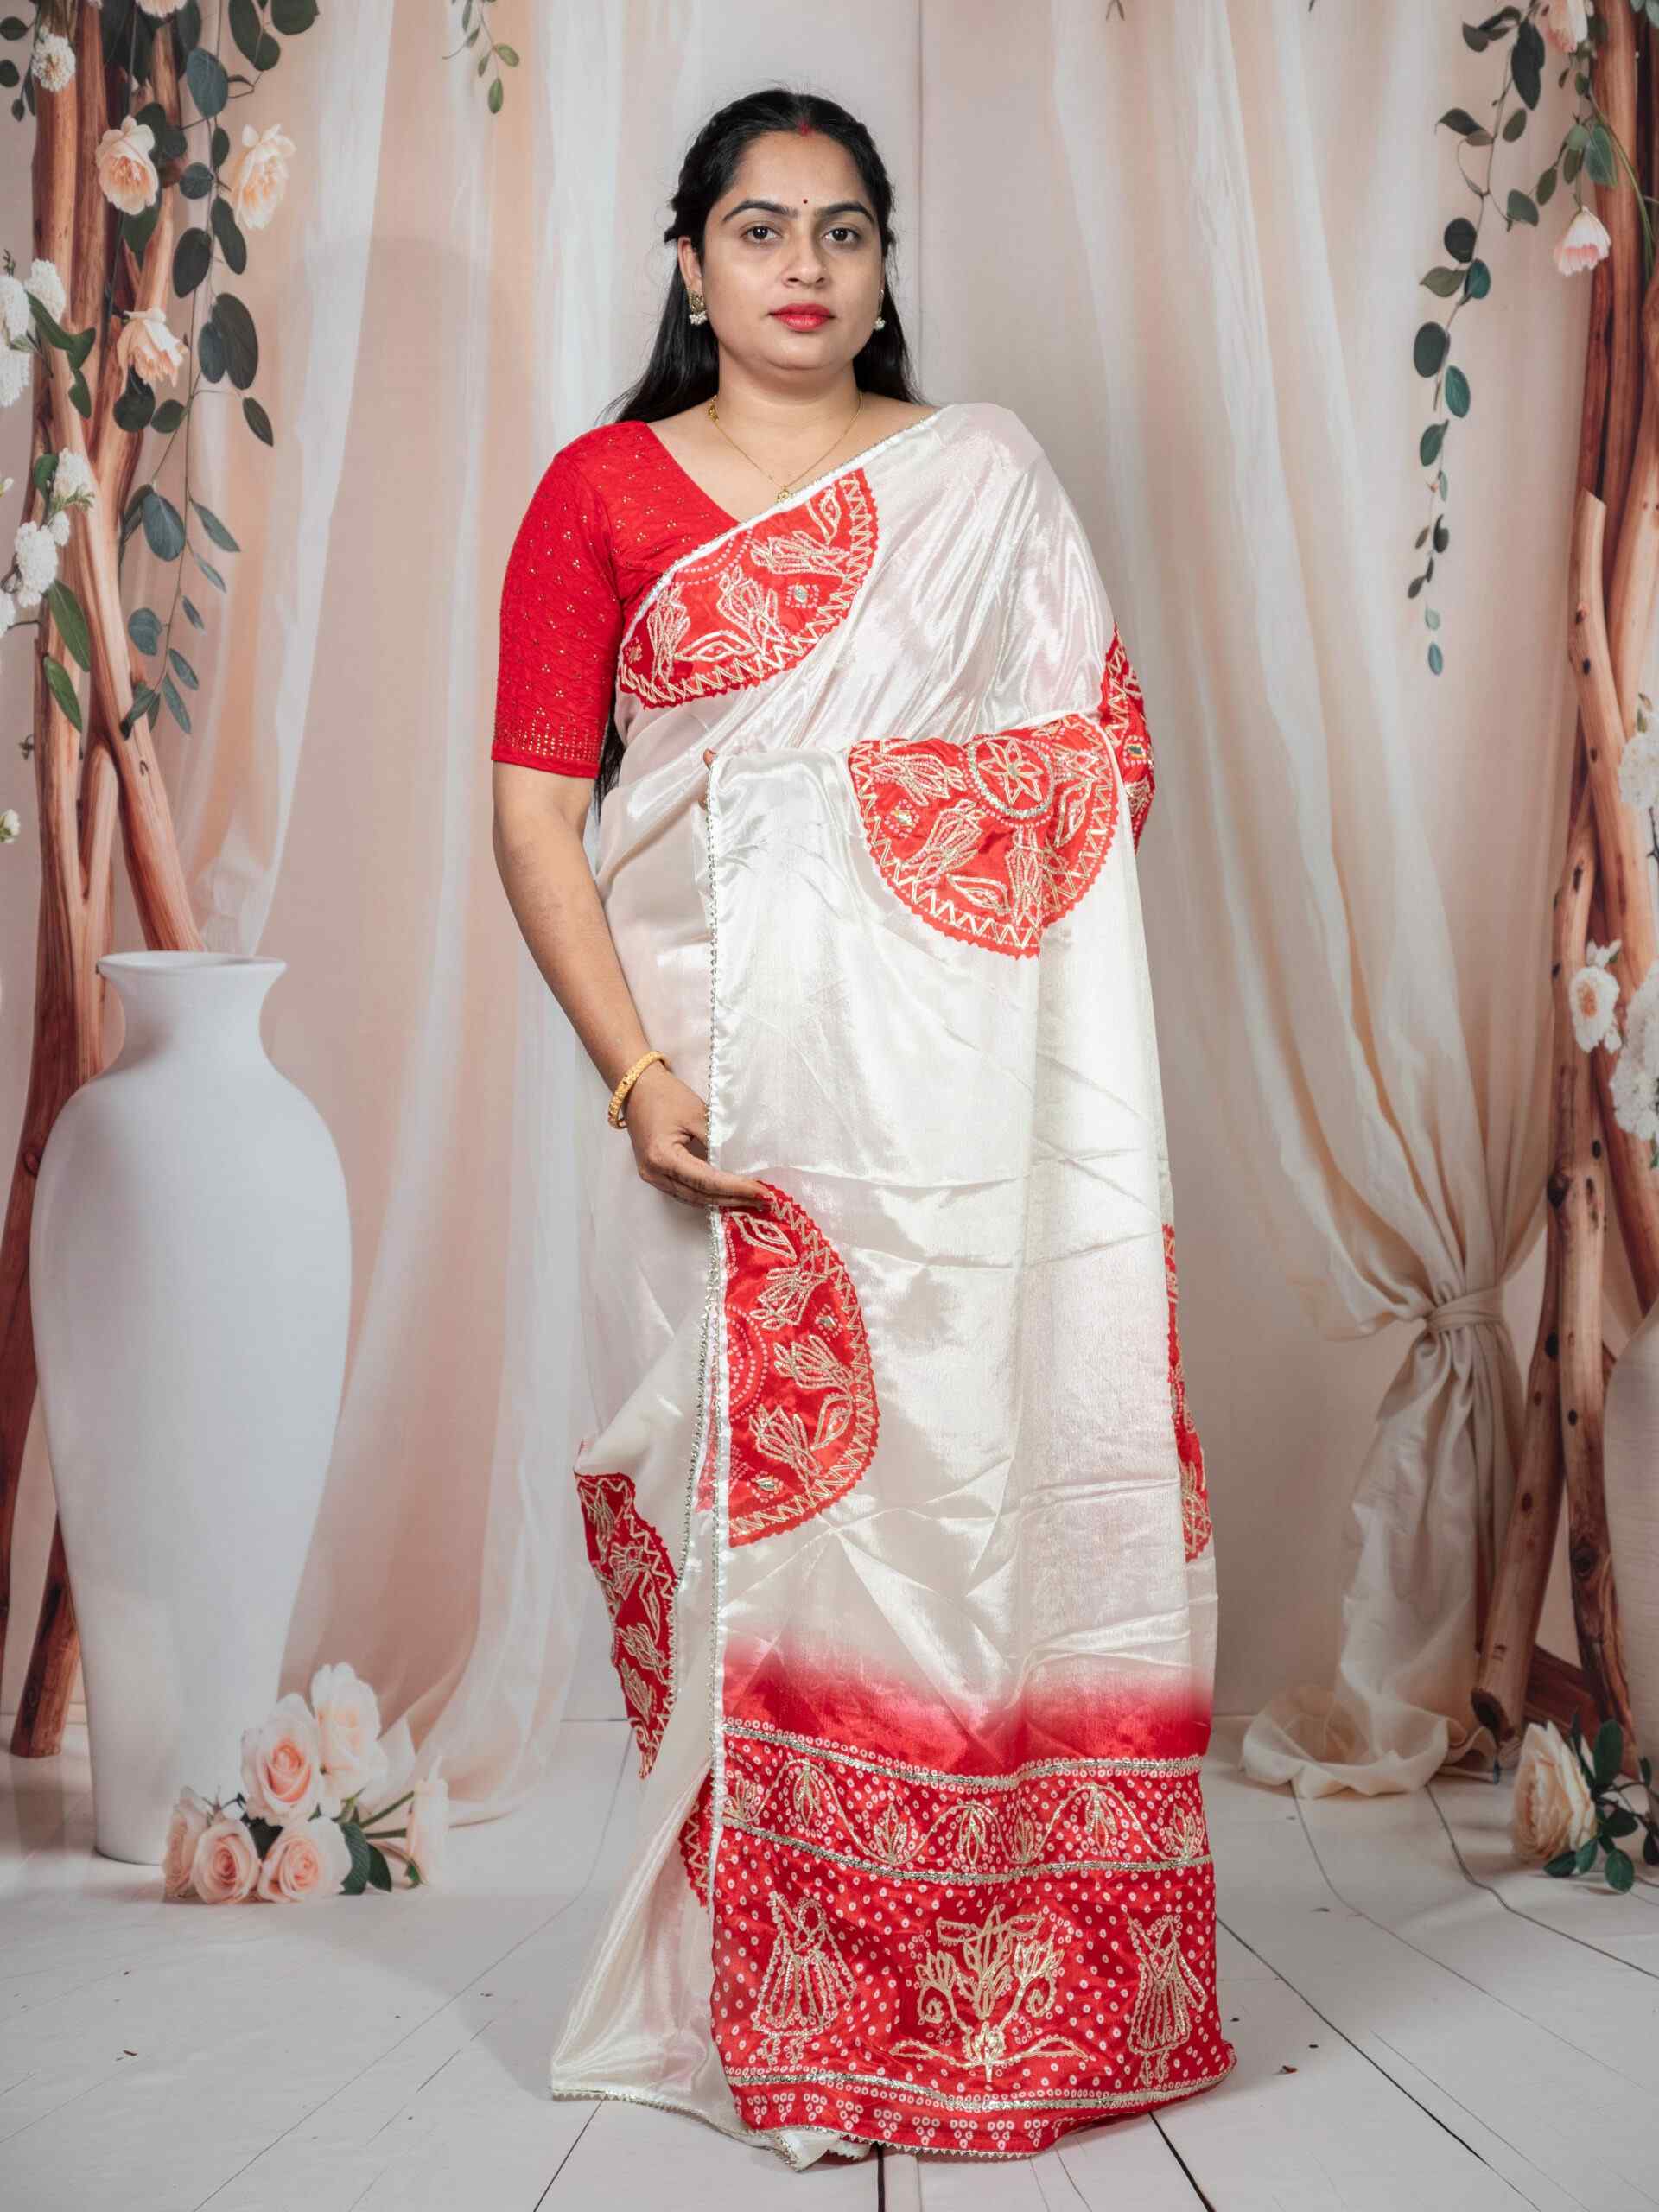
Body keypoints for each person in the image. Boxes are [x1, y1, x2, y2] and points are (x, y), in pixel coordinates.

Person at [490, 83, 1235, 2173]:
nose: (803, 266)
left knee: (983, 1486)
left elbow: (1099, 767)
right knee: (728, 1522)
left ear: (885, 262)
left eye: (842, 229)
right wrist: (639, 1077)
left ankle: (996, 1976)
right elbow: (538, 818)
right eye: (760, 228)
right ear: (690, 259)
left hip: (961, 1122)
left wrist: (849, 856)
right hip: (713, 1097)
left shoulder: (981, 477)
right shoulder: (600, 492)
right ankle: (756, 1981)